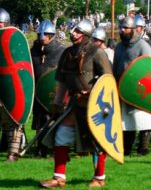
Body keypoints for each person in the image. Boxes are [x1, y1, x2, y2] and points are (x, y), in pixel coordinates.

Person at [39, 20, 112, 188]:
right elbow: (62, 81)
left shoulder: (97, 52)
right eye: (73, 31)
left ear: (86, 34)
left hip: (94, 104)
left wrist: (96, 97)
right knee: (61, 136)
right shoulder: (67, 53)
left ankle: (99, 178)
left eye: (77, 31)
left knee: (97, 140)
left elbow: (107, 79)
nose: (73, 33)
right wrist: (58, 102)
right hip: (73, 103)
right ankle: (59, 177)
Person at [113, 16, 151, 157]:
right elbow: (116, 68)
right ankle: (126, 148)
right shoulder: (120, 47)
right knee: (126, 121)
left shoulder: (143, 46)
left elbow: (149, 69)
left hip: (141, 90)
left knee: (143, 119)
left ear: (133, 29)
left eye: (125, 28)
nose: (122, 30)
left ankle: (143, 148)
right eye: (121, 28)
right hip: (124, 89)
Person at [30, 20, 66, 158]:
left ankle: (52, 149)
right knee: (39, 121)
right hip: (38, 93)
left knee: (54, 121)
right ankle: (40, 148)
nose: (42, 37)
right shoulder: (33, 52)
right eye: (40, 34)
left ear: (52, 35)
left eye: (46, 34)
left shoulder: (61, 51)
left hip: (54, 92)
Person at [0, 7, 26, 162]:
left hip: (9, 84)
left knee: (12, 119)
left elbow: (18, 62)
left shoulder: (12, 40)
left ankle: (13, 153)